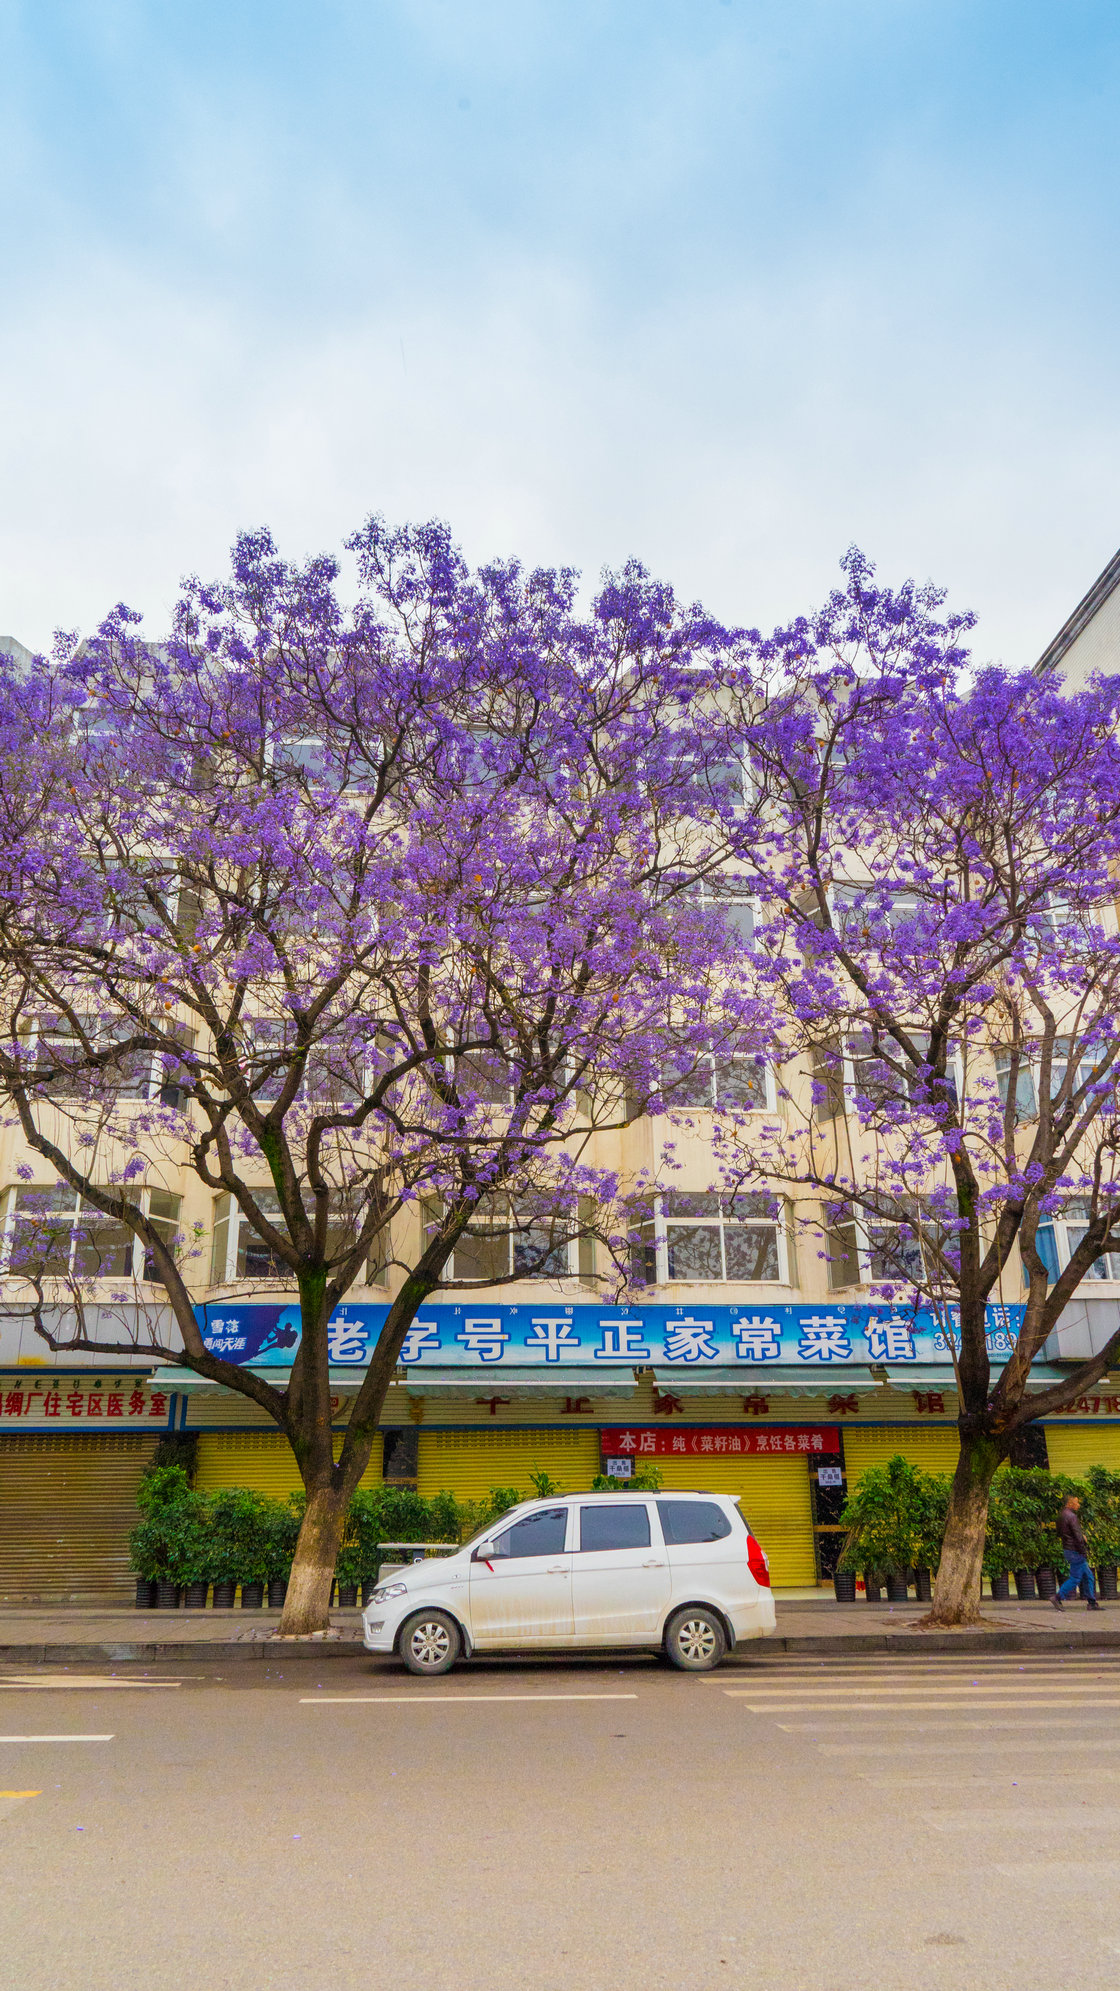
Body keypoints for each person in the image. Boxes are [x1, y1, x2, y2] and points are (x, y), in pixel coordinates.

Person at [1053, 1493, 1101, 1610]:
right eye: (1076, 1502)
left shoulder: (1060, 1516)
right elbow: (1078, 1536)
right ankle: (1057, 1597)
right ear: (1070, 1503)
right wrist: (1083, 1549)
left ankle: (1092, 1602)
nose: (1078, 1505)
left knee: (1089, 1576)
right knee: (1075, 1578)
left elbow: (1059, 1533)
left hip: (1068, 1549)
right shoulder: (1072, 1517)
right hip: (1075, 1551)